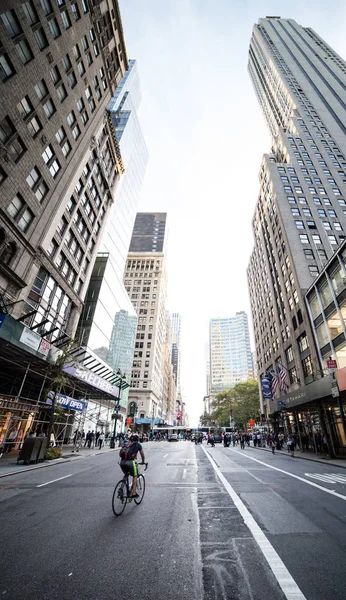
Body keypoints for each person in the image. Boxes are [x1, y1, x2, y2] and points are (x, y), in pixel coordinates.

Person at [119, 434, 145, 498]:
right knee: (135, 476)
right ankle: (133, 493)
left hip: (122, 462)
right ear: (137, 440)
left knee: (125, 474)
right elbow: (142, 455)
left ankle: (121, 489)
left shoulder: (127, 444)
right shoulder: (138, 445)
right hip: (131, 462)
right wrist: (143, 462)